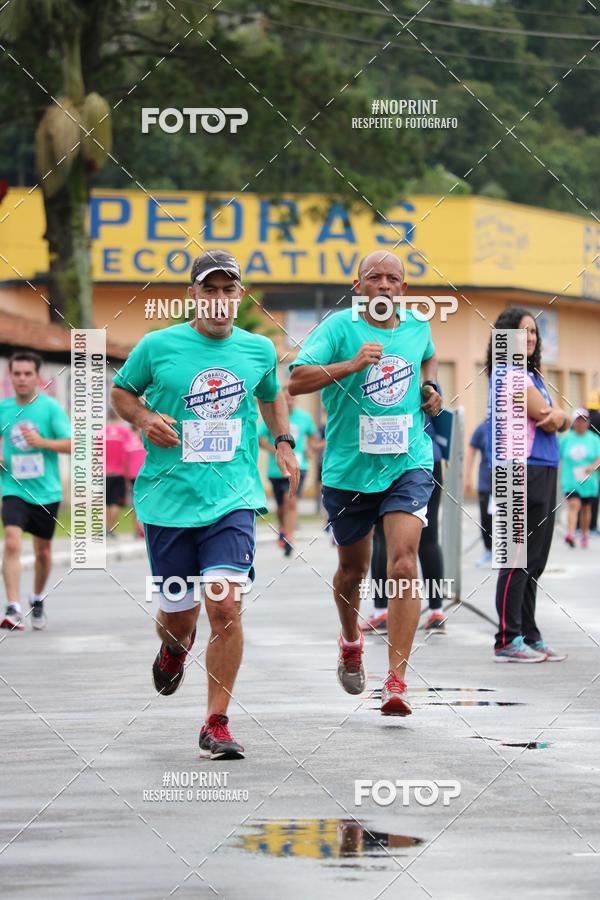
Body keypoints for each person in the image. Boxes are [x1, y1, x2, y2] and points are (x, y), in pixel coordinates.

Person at [111, 250, 299, 760]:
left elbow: (270, 395)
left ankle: (216, 721)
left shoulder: (259, 349)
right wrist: (144, 418)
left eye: (228, 291)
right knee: (180, 618)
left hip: (232, 497)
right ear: (193, 295)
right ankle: (174, 649)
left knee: (225, 605)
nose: (219, 301)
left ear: (240, 296)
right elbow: (121, 393)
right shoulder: (158, 345)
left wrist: (284, 440)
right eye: (209, 290)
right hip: (168, 498)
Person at [289, 250, 442, 716]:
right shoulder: (338, 328)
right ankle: (351, 638)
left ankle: (396, 679)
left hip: (407, 462)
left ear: (403, 289)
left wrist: (430, 392)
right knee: (352, 571)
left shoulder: (418, 327)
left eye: (392, 278)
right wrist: (351, 366)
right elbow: (295, 380)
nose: (383, 285)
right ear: (358, 287)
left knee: (402, 563)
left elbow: (430, 361)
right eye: (373, 277)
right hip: (348, 470)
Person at [487, 307, 569, 663]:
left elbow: (557, 418)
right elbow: (547, 418)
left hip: (543, 468)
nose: (531, 338)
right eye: (523, 331)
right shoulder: (508, 374)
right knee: (517, 557)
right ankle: (507, 638)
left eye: (534, 332)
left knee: (534, 559)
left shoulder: (530, 374)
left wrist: (560, 417)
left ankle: (529, 633)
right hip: (519, 470)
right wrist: (562, 416)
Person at [0, 351, 71, 631]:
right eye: (16, 373)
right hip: (13, 488)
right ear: (10, 376)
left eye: (27, 373)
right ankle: (13, 607)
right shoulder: (4, 408)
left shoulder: (50, 409)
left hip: (46, 492)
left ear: (37, 377)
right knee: (13, 541)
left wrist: (41, 441)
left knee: (43, 551)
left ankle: (37, 597)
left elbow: (72, 444)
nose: (22, 379)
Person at [361, 415, 446, 634]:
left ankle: (381, 612)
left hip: (388, 455)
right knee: (430, 537)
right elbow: (440, 413)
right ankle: (436, 612)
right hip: (428, 456)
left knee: (382, 537)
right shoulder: (423, 380)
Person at [258, 388, 318, 556]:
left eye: (292, 398)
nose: (289, 401)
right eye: (286, 399)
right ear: (282, 401)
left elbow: (313, 439)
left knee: (290, 501)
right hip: (276, 469)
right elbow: (259, 438)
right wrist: (275, 450)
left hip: (299, 466)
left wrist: (310, 450)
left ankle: (289, 537)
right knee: (280, 506)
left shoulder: (304, 418)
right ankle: (283, 529)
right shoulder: (274, 417)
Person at [560, 408, 600, 549]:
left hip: (588, 481)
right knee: (574, 505)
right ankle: (570, 534)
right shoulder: (566, 439)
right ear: (574, 422)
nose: (581, 423)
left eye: (584, 420)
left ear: (588, 422)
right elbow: (557, 456)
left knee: (585, 508)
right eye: (578, 420)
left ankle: (584, 534)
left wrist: (593, 466)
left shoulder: (594, 439)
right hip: (571, 481)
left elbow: (599, 458)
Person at [465, 418, 492, 565]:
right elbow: (471, 450)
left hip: (506, 481)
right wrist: (467, 477)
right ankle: (488, 549)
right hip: (485, 482)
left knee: (507, 518)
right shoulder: (482, 428)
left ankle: (507, 552)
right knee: (486, 518)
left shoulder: (511, 425)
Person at [105, 410, 131, 538]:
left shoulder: (101, 432)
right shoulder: (124, 432)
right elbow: (127, 454)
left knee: (105, 502)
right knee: (115, 502)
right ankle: (110, 529)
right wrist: (127, 475)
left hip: (104, 473)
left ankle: (104, 529)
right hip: (119, 472)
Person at [125, 425, 146, 538]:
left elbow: (125, 461)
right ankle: (140, 530)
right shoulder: (144, 441)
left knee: (135, 504)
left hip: (134, 476)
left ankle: (137, 530)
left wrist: (126, 477)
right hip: (142, 476)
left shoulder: (128, 442)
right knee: (144, 502)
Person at [586, 391, 600, 533]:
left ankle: (579, 525)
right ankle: (592, 526)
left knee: (580, 491)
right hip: (597, 458)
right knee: (595, 492)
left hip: (582, 460)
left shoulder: (582, 418)